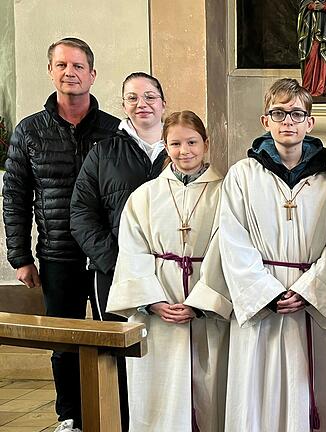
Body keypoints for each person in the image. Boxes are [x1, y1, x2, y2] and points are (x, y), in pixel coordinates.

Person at [2, 37, 119, 432]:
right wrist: (19, 257)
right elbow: (14, 195)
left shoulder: (114, 130)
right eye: (62, 65)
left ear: (92, 74)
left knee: (114, 337)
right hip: (58, 254)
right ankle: (70, 416)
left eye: (78, 66)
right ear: (51, 72)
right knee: (64, 343)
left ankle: (117, 412)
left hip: (108, 256)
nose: (70, 72)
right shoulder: (29, 131)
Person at [218, 78, 326, 431]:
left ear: (310, 122)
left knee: (316, 393)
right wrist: (267, 293)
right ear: (265, 121)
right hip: (263, 307)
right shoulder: (242, 176)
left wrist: (309, 290)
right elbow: (232, 240)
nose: (287, 121)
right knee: (259, 399)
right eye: (278, 113)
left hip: (313, 306)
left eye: (296, 114)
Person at [106, 111, 230, 431]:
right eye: (175, 143)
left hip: (207, 310)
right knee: (160, 395)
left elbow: (230, 249)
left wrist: (199, 303)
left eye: (192, 142)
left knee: (211, 390)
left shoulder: (227, 192)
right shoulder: (145, 196)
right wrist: (152, 301)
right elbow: (133, 251)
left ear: (206, 143)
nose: (184, 150)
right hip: (159, 311)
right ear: (164, 145)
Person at [69, 72, 167, 431]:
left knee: (166, 356)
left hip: (173, 276)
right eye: (132, 97)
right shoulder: (104, 151)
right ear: (123, 105)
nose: (142, 104)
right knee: (122, 356)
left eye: (150, 96)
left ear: (163, 102)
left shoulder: (180, 150)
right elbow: (81, 214)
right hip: (113, 274)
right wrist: (117, 261)